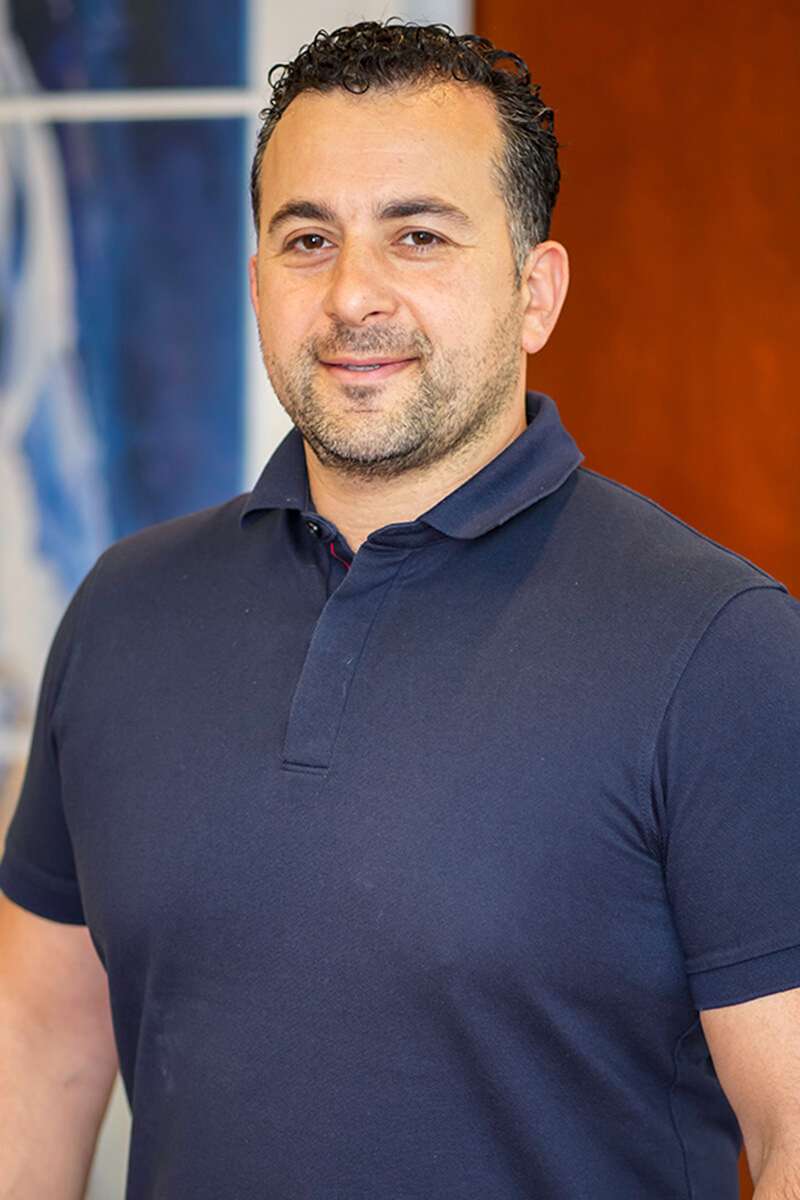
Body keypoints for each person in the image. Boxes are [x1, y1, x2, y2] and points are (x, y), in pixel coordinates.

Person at [1, 19, 798, 1200]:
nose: (353, 294)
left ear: (534, 291)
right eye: (307, 237)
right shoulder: (123, 610)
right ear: (259, 277)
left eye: (417, 235)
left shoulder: (718, 643)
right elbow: (39, 1048)